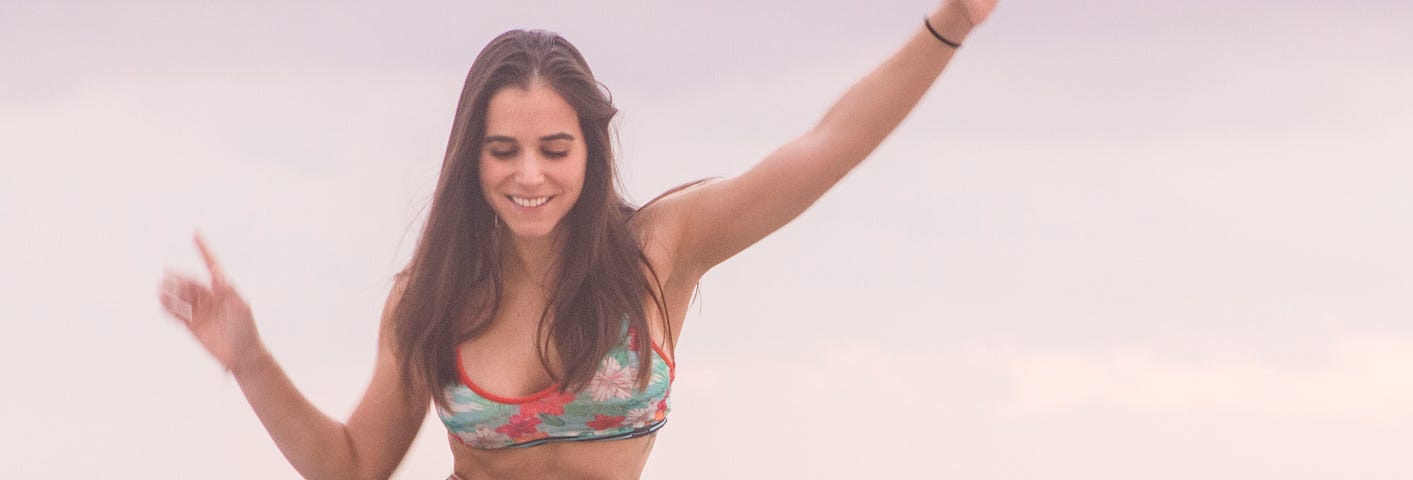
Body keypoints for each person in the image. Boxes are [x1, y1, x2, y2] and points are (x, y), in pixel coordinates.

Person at [156, 1, 997, 478]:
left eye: (555, 149)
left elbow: (823, 149)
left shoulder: (660, 250)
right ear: (469, 159)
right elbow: (353, 469)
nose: (531, 174)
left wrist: (949, 25)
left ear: (592, 149)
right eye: (504, 150)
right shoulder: (432, 298)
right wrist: (251, 362)